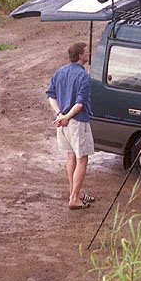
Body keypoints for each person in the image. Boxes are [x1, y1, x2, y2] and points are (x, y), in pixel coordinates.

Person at [46, 42, 95, 210]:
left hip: (63, 123)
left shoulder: (60, 71)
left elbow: (51, 95)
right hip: (77, 122)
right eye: (86, 52)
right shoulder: (83, 76)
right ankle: (74, 198)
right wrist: (66, 116)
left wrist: (60, 115)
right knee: (82, 159)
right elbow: (80, 104)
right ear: (80, 56)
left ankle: (76, 192)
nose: (88, 54)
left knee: (71, 156)